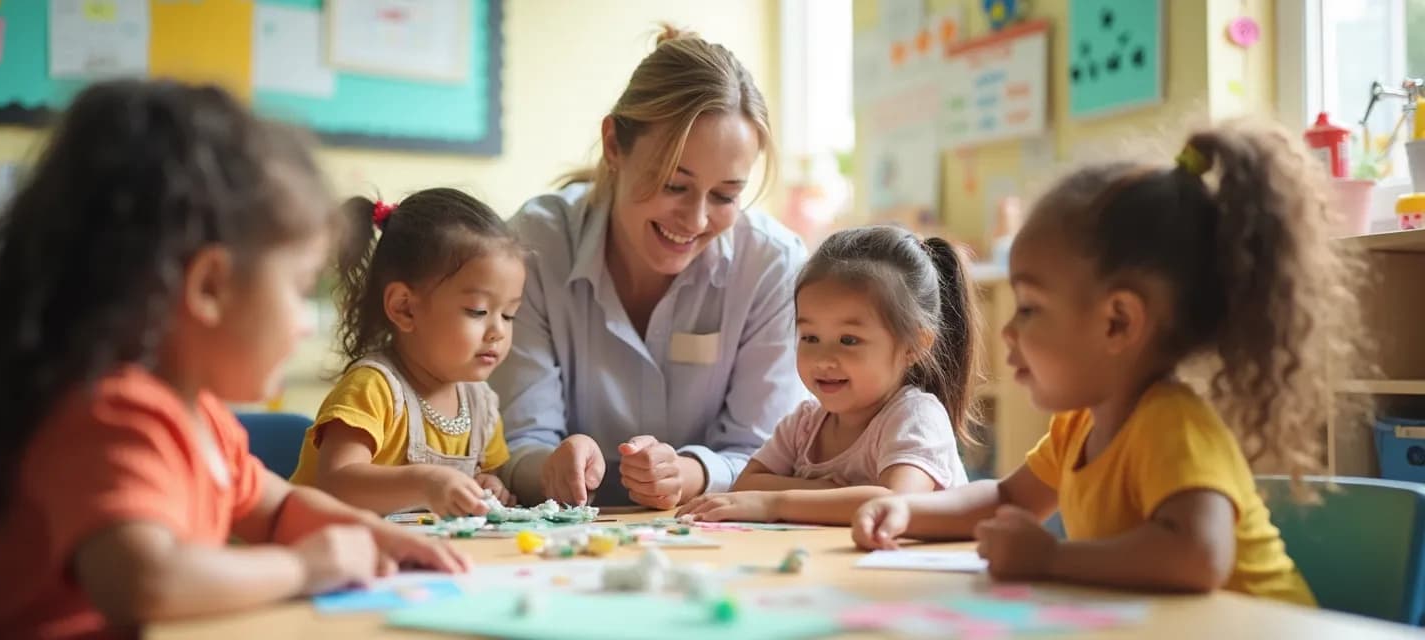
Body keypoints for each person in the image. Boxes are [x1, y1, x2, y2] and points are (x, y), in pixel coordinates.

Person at [0, 80, 468, 639]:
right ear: (209, 287)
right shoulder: (109, 415)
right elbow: (144, 582)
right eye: (300, 288)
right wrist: (305, 566)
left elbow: (278, 510)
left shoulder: (199, 417)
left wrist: (379, 537)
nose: (305, 322)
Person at [853, 123, 1370, 605]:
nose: (1008, 332)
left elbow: (1198, 556)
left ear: (1118, 322)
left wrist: (1050, 557)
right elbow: (1006, 497)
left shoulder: (1172, 425)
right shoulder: (1079, 425)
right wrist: (906, 510)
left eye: (1029, 308)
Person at [490, 26, 809, 509]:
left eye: (725, 196)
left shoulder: (771, 265)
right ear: (614, 144)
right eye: (673, 184)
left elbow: (765, 452)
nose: (697, 220)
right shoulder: (535, 245)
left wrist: (691, 472)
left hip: (715, 534)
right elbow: (517, 438)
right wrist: (550, 466)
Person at [677, 226, 977, 525]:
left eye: (849, 340)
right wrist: (827, 491)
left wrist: (775, 503)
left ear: (914, 345)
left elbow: (895, 502)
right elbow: (747, 485)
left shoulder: (916, 416)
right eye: (810, 338)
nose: (823, 359)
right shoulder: (805, 424)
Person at [288, 189, 524, 516]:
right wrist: (426, 482)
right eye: (477, 311)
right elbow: (337, 483)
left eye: (509, 314)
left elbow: (488, 475)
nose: (498, 330)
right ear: (405, 309)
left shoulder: (481, 404)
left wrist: (486, 486)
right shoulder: (373, 388)